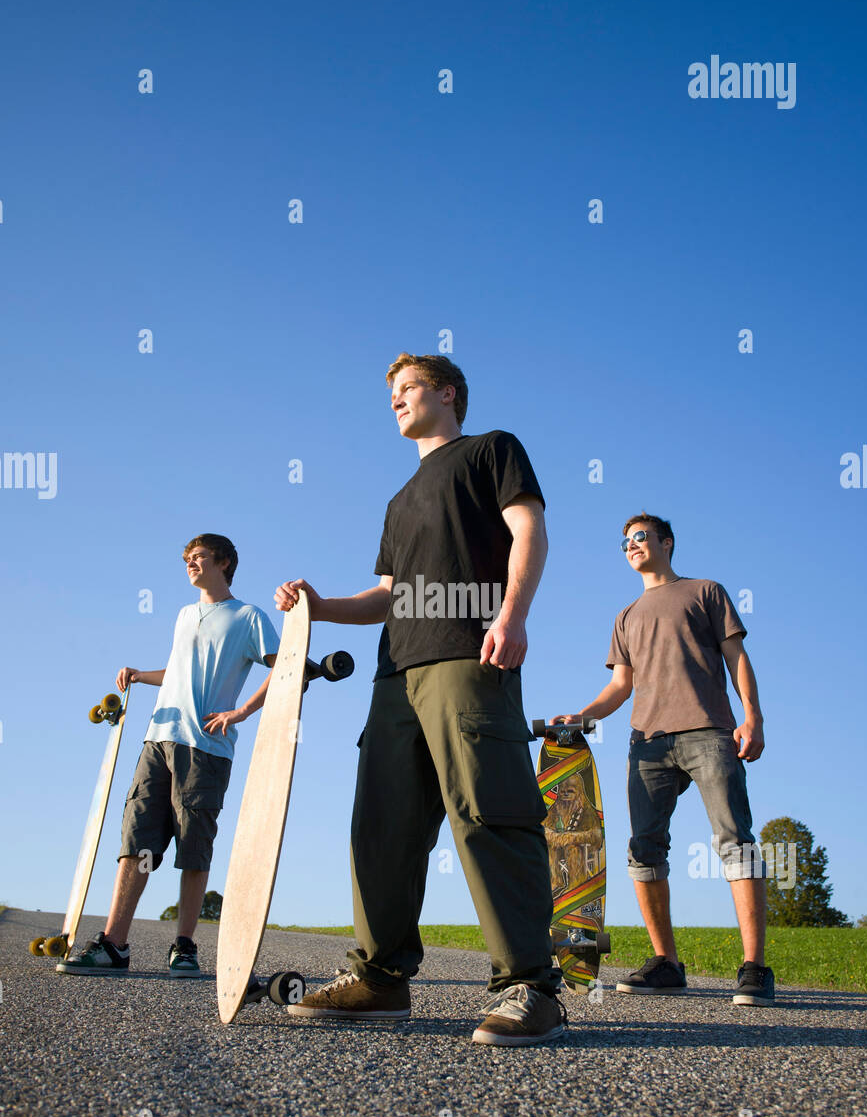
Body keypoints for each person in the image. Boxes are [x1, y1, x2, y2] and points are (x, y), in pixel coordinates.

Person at [274, 353, 565, 1046]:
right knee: (382, 826)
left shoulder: (492, 450)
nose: (397, 401)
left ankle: (530, 984)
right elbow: (387, 595)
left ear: (448, 393)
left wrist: (513, 614)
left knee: (487, 813)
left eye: (409, 388)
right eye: (392, 393)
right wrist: (320, 607)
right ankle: (380, 978)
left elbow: (529, 530)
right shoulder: (398, 502)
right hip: (394, 674)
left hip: (470, 654)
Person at [552, 513, 774, 1006]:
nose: (631, 545)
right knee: (644, 849)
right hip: (647, 743)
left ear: (666, 543)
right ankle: (666, 963)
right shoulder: (626, 616)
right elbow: (620, 686)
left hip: (709, 732)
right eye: (624, 541)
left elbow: (737, 657)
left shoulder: (704, 591)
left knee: (735, 840)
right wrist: (584, 717)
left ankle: (755, 968)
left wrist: (752, 716)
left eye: (640, 537)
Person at [59, 535, 279, 978]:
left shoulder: (248, 616)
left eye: (199, 558)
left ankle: (185, 945)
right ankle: (115, 945)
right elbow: (179, 671)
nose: (190, 565)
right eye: (186, 560)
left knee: (193, 847)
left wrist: (241, 711)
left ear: (225, 562)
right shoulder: (183, 615)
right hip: (156, 739)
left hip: (205, 747)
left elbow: (288, 667)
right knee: (136, 840)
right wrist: (141, 675)